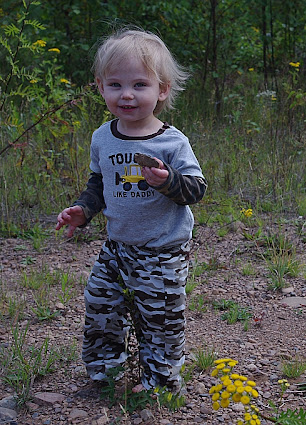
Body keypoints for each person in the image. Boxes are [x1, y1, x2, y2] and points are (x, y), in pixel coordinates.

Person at [56, 28, 206, 395]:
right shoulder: (102, 137)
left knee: (160, 318)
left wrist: (168, 181)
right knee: (101, 304)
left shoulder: (172, 142)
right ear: (100, 87)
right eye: (116, 85)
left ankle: (161, 383)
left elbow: (196, 189)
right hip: (117, 246)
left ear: (162, 90)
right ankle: (105, 373)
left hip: (162, 251)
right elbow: (99, 183)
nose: (127, 94)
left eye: (140, 85)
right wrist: (83, 210)